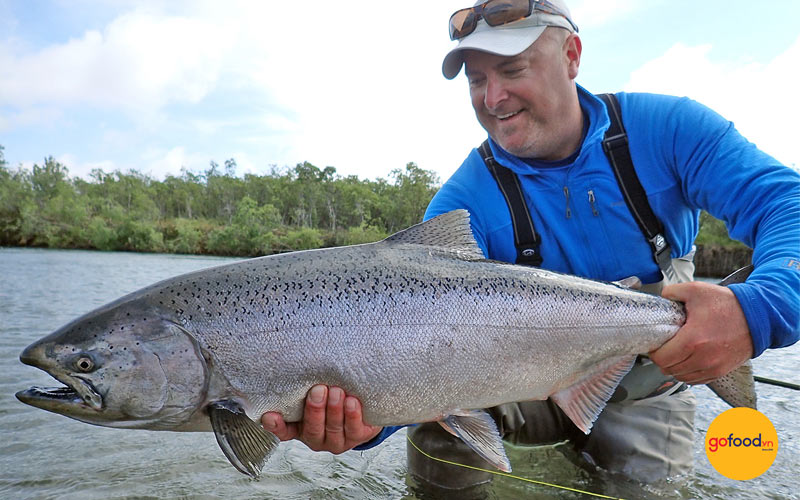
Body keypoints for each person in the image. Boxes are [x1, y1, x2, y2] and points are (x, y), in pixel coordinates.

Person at [261, 0, 800, 489]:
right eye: (476, 80)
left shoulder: (670, 130)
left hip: (648, 378)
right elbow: (409, 355)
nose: (493, 98)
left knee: (644, 489)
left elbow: (788, 207)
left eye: (513, 70)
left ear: (572, 56)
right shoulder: (463, 201)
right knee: (438, 429)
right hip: (517, 385)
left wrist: (755, 311)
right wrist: (362, 427)